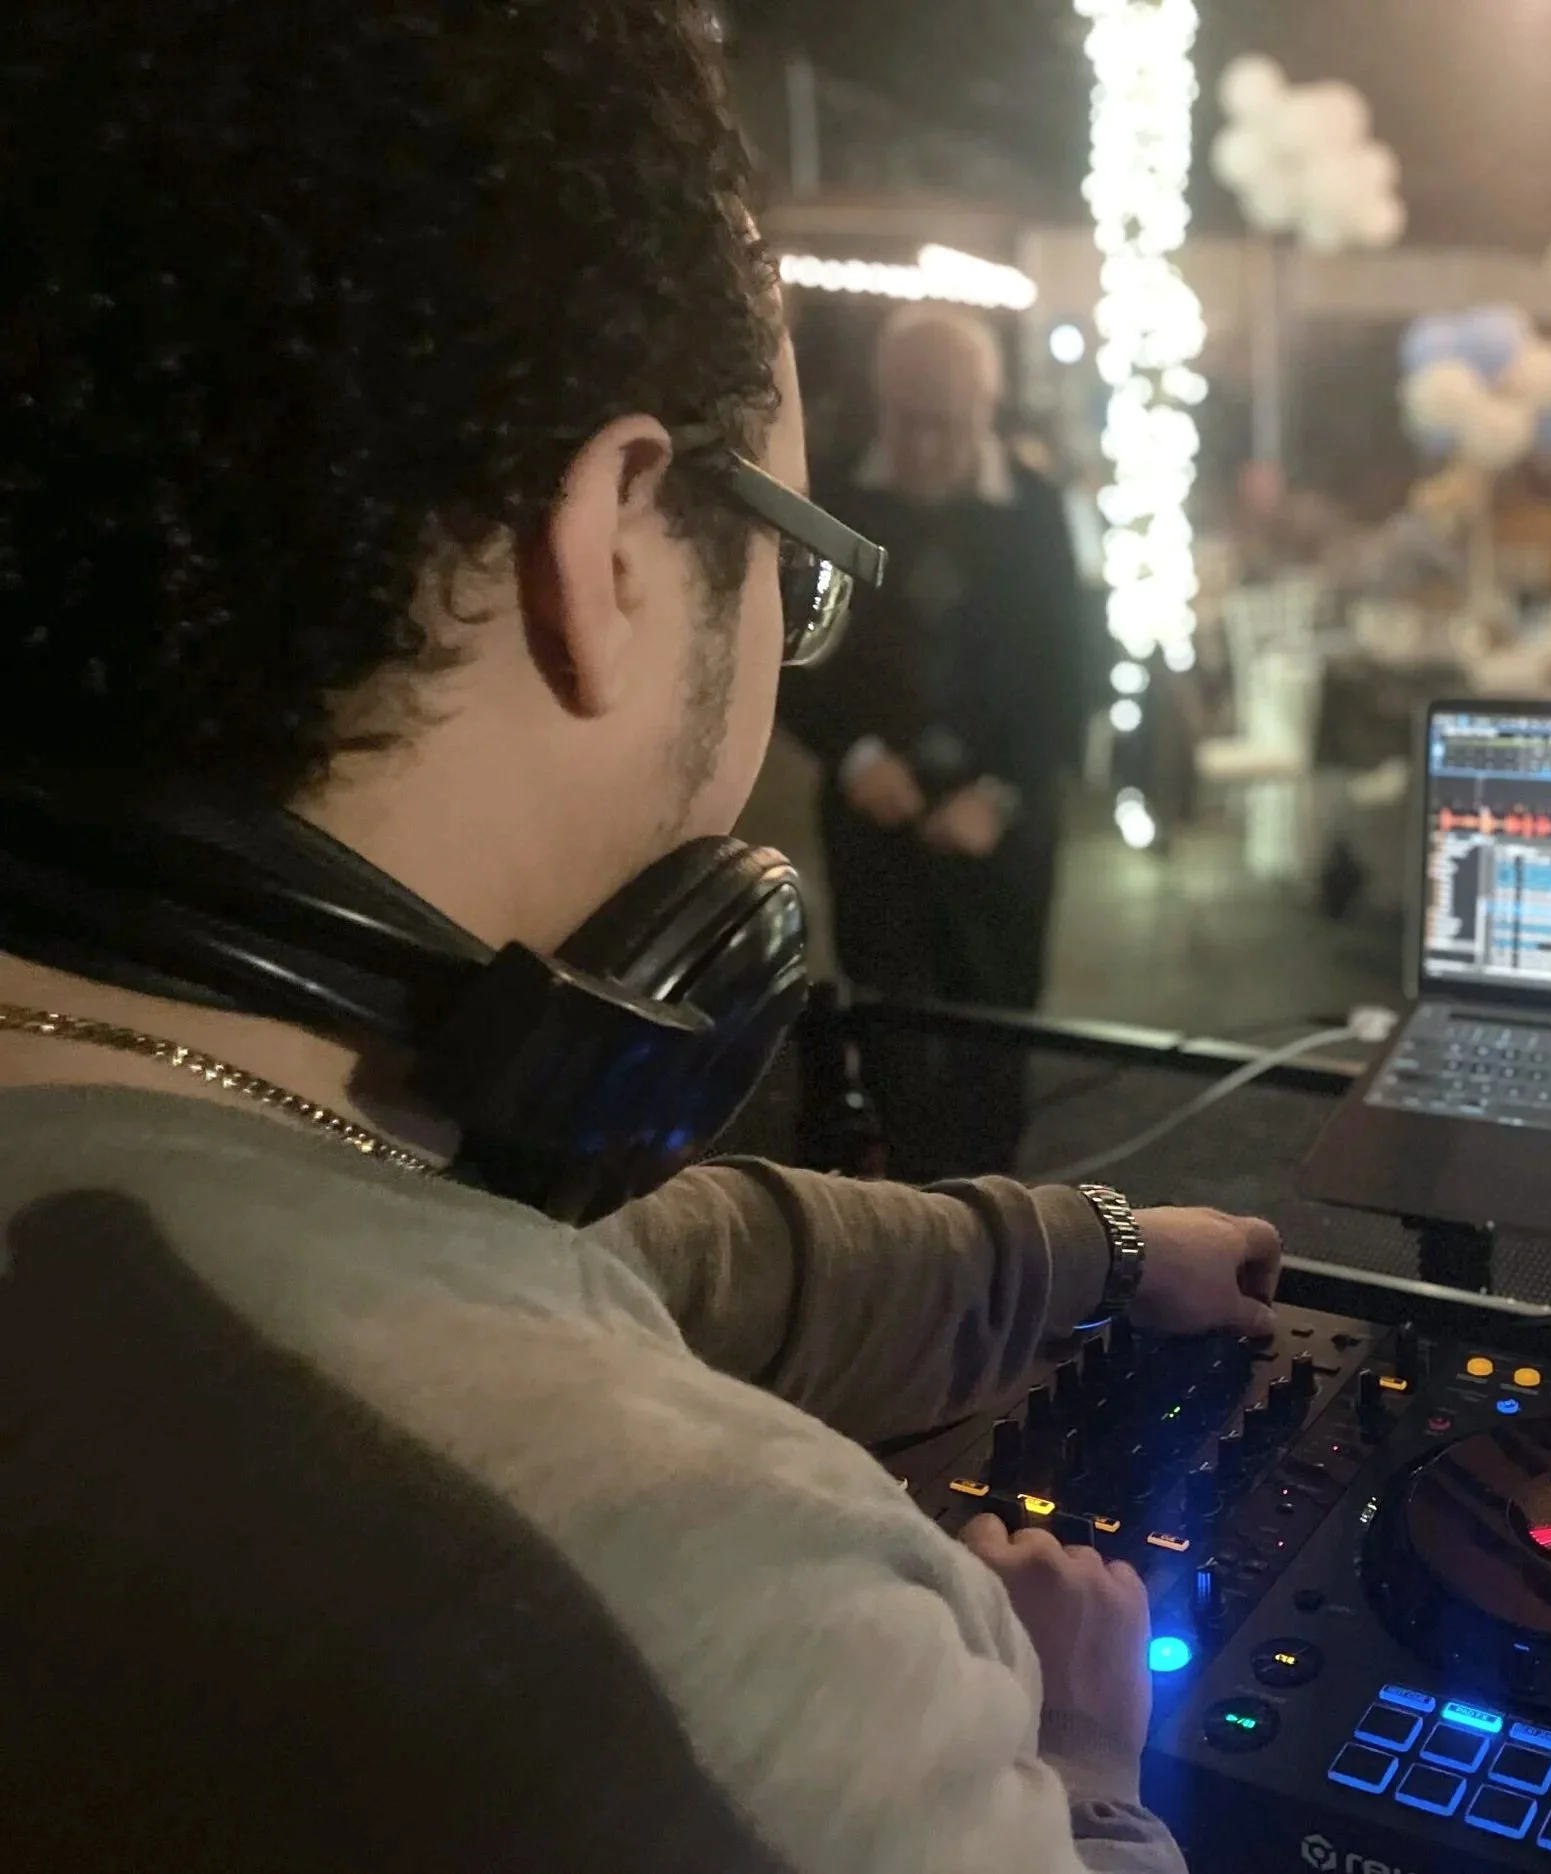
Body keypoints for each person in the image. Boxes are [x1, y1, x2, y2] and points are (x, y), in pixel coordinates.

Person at [0, 4, 1277, 1868]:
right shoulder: (722, 1612)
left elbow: (610, 1259)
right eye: (792, 562)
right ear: (610, 547)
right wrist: (1085, 1755)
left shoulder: (188, 1122)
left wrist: (1077, 1250)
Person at [780, 308, 1095, 1181]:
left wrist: (999, 793)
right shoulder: (837, 498)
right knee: (888, 1043)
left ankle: (993, 1225)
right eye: (906, 420)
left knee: (999, 1042)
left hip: (1005, 828)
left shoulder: (1034, 512)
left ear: (985, 407)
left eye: (944, 423)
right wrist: (854, 756)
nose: (922, 445)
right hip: (875, 820)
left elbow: (1069, 676)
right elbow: (792, 659)